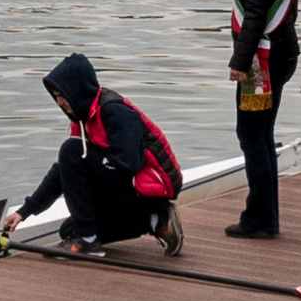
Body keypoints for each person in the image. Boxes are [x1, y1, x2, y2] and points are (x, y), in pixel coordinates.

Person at [18, 51, 187, 253]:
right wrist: (24, 212)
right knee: (69, 230)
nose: (60, 102)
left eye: (62, 96)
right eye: (56, 97)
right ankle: (155, 220)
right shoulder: (81, 119)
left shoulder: (115, 111)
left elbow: (129, 163)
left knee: (71, 152)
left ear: (77, 90)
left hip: (153, 185)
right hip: (129, 185)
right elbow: (63, 171)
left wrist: (93, 173)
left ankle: (90, 240)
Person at [222, 0, 301, 238]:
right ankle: (263, 213)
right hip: (283, 51)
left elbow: (255, 15)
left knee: (252, 135)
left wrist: (239, 62)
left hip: (261, 61)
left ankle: (261, 218)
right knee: (261, 134)